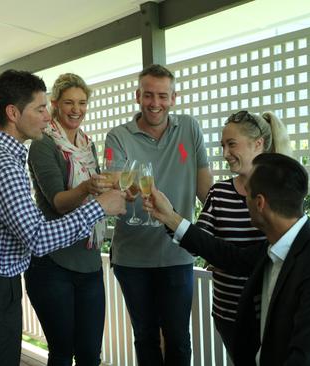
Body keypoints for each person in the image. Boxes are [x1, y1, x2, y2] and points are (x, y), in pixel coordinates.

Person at [0, 69, 126, 366]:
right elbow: (38, 238)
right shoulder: (2, 162)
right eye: (40, 108)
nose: (48, 116)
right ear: (13, 113)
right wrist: (100, 207)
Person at [145, 153, 310, 366]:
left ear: (259, 203)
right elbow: (227, 255)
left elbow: (309, 359)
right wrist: (170, 217)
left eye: (247, 194)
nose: (243, 200)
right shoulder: (275, 247)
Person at [104, 64, 213, 365]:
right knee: (146, 336)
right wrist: (129, 188)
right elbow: (117, 183)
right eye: (148, 95)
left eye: (162, 96)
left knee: (178, 338)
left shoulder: (190, 128)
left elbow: (207, 190)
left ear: (174, 98)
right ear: (138, 96)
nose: (155, 103)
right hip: (132, 257)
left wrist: (222, 235)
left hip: (177, 252)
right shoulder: (118, 136)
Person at [26, 73, 109, 366]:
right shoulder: (42, 145)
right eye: (70, 102)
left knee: (90, 355)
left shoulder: (87, 145)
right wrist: (89, 188)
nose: (77, 109)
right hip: (53, 265)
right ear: (55, 104)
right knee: (62, 354)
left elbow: (97, 191)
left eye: (83, 102)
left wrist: (116, 191)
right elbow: (59, 202)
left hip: (89, 262)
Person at [196, 110, 292, 354]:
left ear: (257, 143)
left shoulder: (280, 193)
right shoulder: (218, 193)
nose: (225, 153)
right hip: (228, 312)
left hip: (270, 313)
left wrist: (224, 258)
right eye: (223, 146)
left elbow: (284, 247)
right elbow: (200, 240)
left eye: (231, 145)